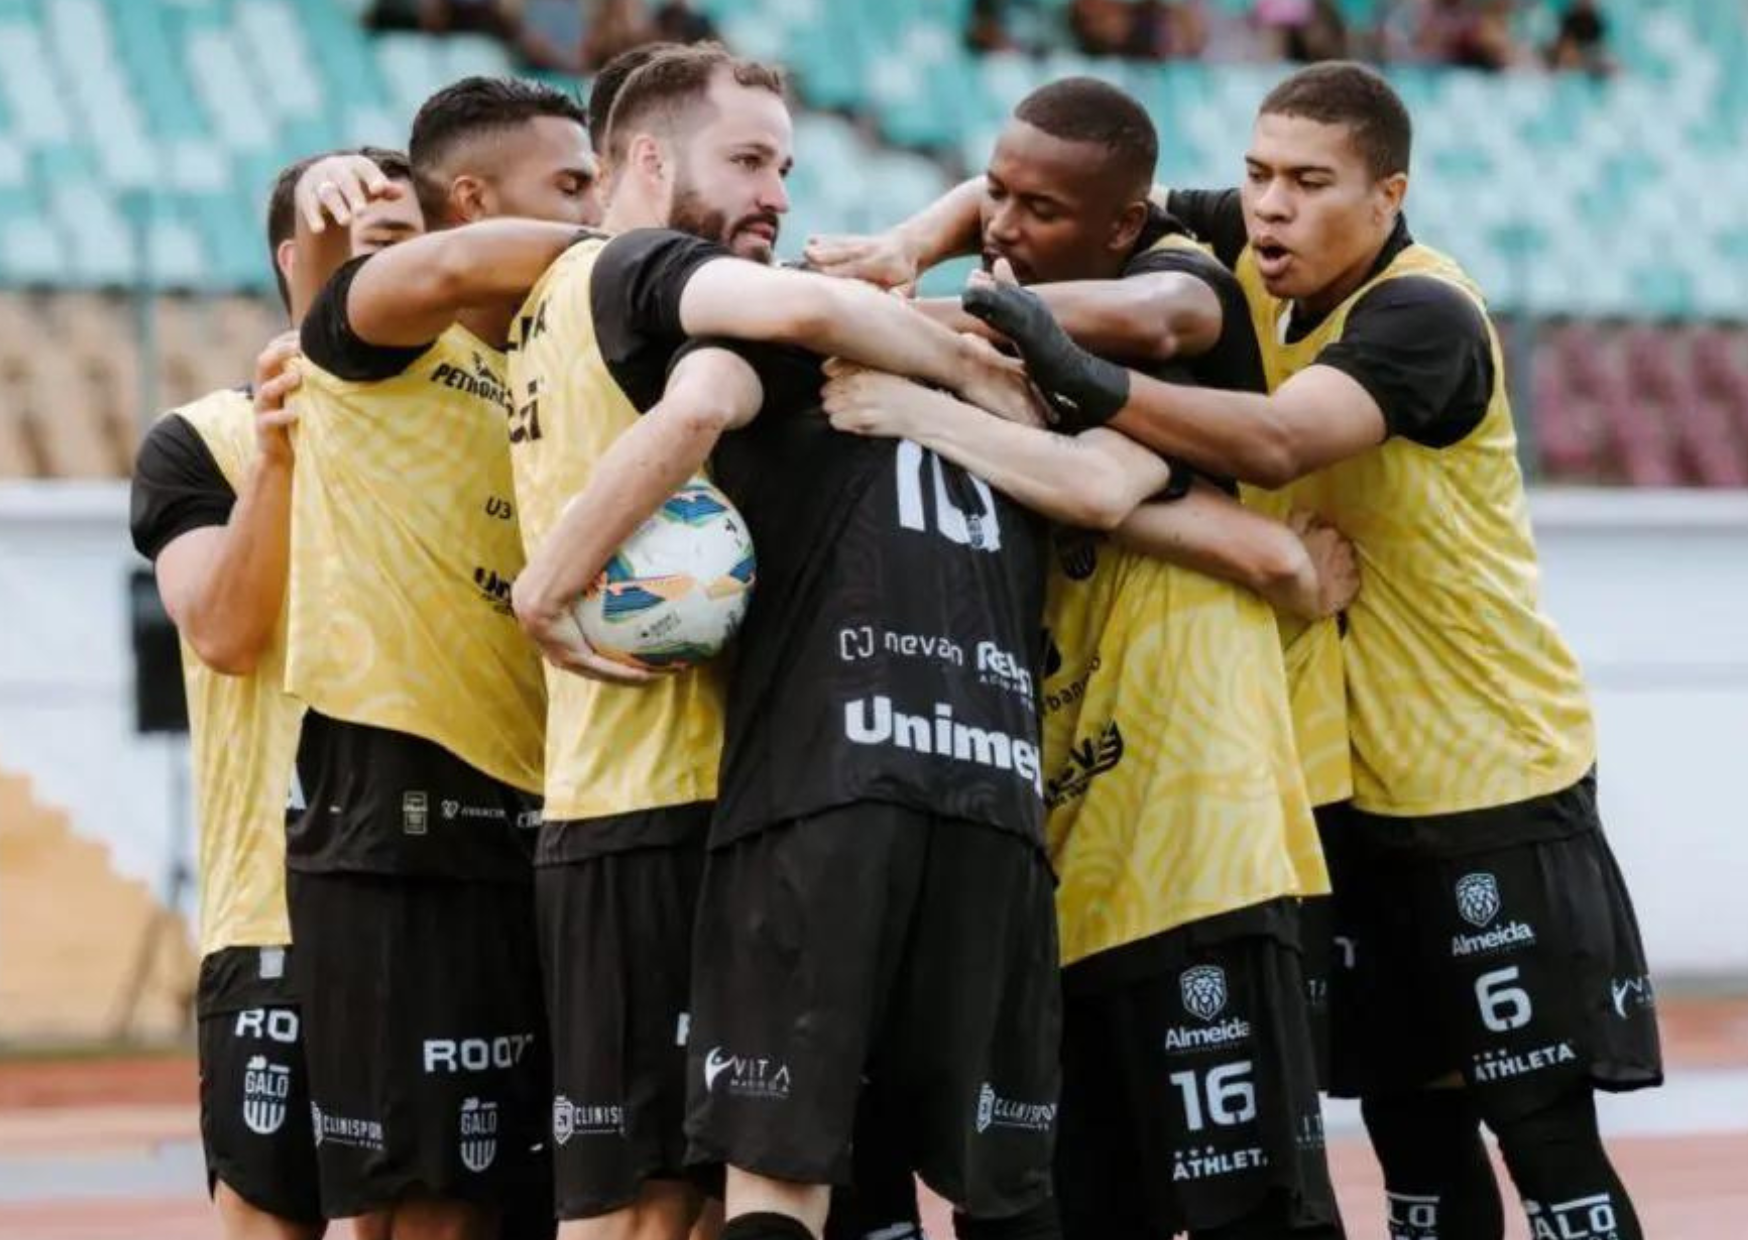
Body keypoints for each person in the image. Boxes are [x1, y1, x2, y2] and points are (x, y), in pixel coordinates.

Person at [910, 61, 1665, 1240]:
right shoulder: (1257, 251)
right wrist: (895, 253)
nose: (1268, 205)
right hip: (1330, 782)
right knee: (1410, 1132)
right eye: (1257, 174)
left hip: (1485, 776)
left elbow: (1272, 442)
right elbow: (1024, 184)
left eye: (1308, 182)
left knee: (1542, 1133)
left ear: (1385, 196)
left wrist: (1076, 373)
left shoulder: (1423, 315)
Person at [495, 42, 1045, 1240]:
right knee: (663, 1210)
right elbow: (789, 319)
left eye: (786, 165)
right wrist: (547, 586)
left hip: (639, 798)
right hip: (675, 807)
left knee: (685, 1201)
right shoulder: (642, 264)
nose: (779, 195)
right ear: (644, 159)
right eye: (746, 159)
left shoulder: (537, 308)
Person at [814, 76, 1348, 1240]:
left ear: (1121, 222)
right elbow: (1012, 196)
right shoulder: (1040, 259)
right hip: (1057, 841)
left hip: (1194, 835)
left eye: (1038, 212)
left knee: (1244, 1211)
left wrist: (931, 352)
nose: (1002, 226)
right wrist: (915, 243)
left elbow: (1134, 404)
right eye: (994, 196)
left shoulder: (1181, 293)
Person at [281, 78, 596, 1240]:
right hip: (402, 797)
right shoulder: (376, 348)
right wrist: (329, 213)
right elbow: (346, 282)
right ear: (471, 199)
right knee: (421, 1200)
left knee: (502, 1196)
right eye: (571, 185)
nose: (591, 205)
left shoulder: (538, 362)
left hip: (538, 801)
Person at [128, 148, 422, 1240]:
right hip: (280, 916)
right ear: (297, 262)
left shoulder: (484, 426)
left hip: (458, 894)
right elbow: (221, 630)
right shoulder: (205, 439)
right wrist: (287, 445)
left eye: (411, 238)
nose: (397, 266)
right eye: (360, 237)